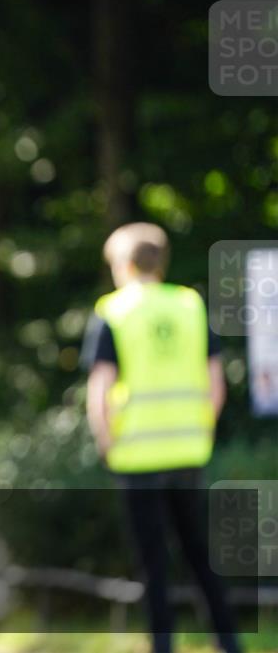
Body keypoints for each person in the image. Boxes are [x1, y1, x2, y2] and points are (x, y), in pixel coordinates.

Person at [83, 222, 241, 653]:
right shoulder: (189, 304)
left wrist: (106, 440)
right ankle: (229, 643)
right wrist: (198, 428)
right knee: (198, 554)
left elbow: (100, 389)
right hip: (189, 451)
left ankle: (163, 646)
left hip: (136, 457)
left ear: (124, 264)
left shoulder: (113, 311)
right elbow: (216, 382)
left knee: (153, 564)